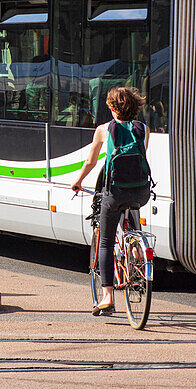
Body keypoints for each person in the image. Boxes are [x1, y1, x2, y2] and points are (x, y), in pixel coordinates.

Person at [71, 86, 152, 316]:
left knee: (105, 241)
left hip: (114, 193)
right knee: (132, 214)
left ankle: (107, 297)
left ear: (112, 107)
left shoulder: (104, 130)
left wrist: (77, 181)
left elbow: (91, 162)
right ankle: (136, 257)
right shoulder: (144, 129)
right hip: (141, 192)